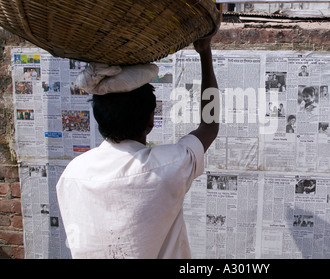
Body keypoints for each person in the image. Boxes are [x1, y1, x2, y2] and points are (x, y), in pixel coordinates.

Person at [56, 34, 220, 259]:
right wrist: (205, 52)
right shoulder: (168, 166)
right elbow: (209, 125)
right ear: (151, 120)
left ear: (99, 119)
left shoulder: (71, 176)